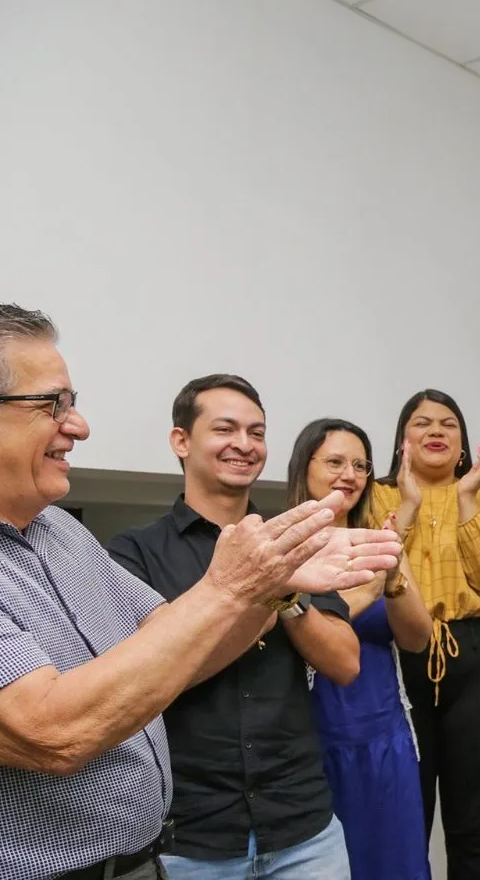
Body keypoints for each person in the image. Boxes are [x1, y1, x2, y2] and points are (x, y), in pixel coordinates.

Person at [0, 300, 398, 880]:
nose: (78, 425)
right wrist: (235, 587)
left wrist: (270, 586)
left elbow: (175, 644)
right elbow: (51, 731)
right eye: (51, 404)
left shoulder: (57, 528)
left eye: (73, 404)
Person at [108, 375, 365, 879]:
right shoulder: (132, 554)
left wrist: (287, 594)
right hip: (193, 837)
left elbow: (345, 663)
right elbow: (153, 680)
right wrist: (261, 591)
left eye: (257, 432)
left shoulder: (297, 543)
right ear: (181, 440)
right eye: (226, 429)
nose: (244, 445)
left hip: (304, 829)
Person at [365, 389, 480, 880]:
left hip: (475, 655)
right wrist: (410, 508)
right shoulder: (377, 497)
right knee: (405, 814)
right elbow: (376, 574)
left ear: (462, 445)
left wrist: (466, 499)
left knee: (473, 820)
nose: (435, 430)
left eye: (448, 423)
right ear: (402, 442)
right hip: (396, 656)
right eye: (421, 423)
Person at [289, 419, 435, 880]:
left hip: (386, 736)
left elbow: (416, 638)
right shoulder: (285, 547)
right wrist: (366, 592)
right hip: (313, 739)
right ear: (304, 467)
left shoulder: (376, 539)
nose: (349, 474)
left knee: (398, 862)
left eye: (360, 465)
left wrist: (390, 576)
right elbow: (296, 627)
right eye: (334, 462)